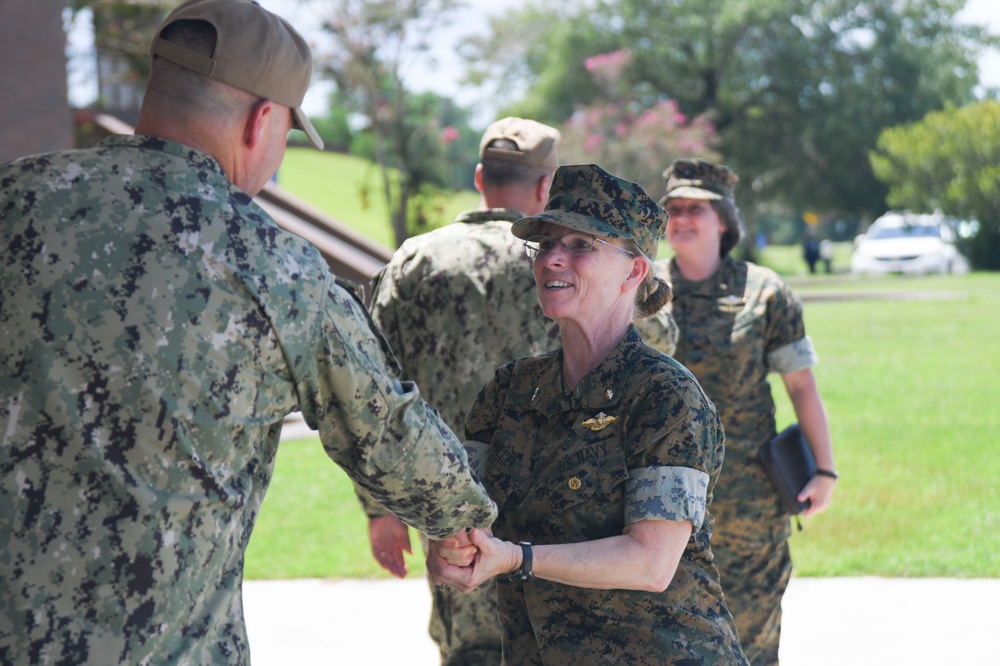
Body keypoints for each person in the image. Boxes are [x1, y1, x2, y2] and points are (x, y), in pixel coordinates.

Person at [0, 1, 495, 664]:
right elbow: (389, 432)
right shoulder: (276, 267)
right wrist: (464, 522)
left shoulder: (13, 201)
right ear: (264, 121)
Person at [427, 164, 748, 665]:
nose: (553, 258)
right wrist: (455, 549)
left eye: (580, 245)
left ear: (634, 271)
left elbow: (650, 562)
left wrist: (517, 557)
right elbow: (469, 517)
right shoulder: (510, 390)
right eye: (546, 242)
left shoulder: (665, 396)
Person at [356, 117, 563, 666]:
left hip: (452, 517)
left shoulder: (414, 262)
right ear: (546, 187)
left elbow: (370, 394)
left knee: (470, 653)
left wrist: (379, 510)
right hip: (561, 525)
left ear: (479, 178)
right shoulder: (567, 263)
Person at [650, 158, 837, 665]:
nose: (682, 218)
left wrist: (824, 470)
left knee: (751, 644)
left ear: (725, 221)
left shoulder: (766, 293)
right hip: (660, 502)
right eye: (674, 208)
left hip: (750, 504)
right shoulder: (643, 293)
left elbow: (801, 386)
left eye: (697, 208)